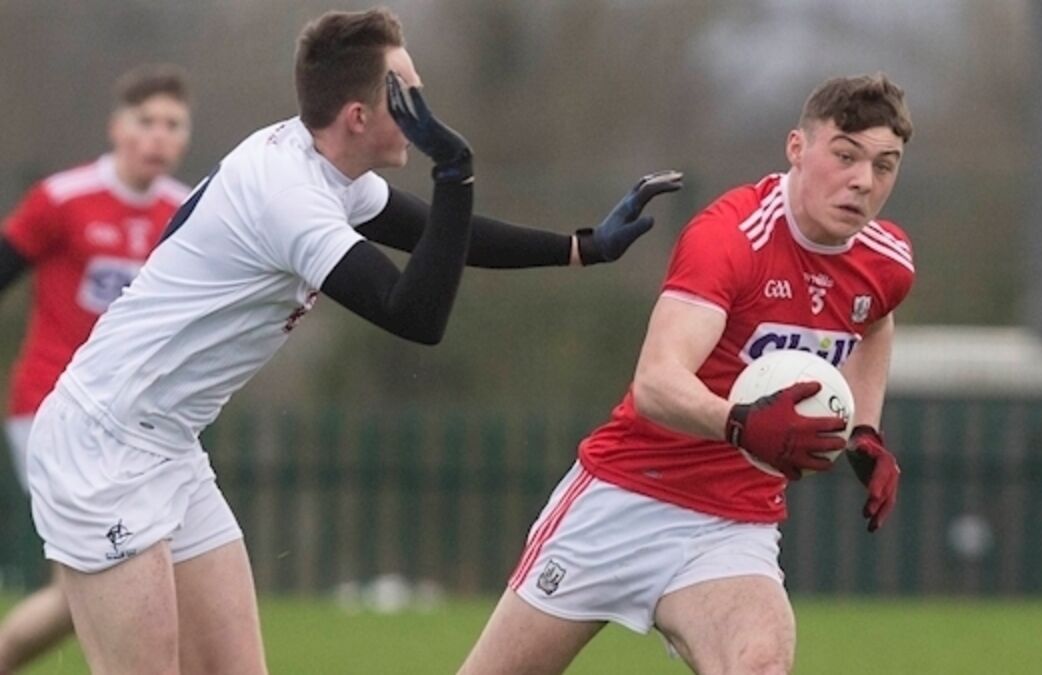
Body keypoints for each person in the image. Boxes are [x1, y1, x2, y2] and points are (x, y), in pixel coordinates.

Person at [23, 8, 680, 674]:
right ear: (359, 116)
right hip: (102, 443)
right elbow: (415, 315)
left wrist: (580, 247)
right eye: (408, 96)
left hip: (167, 443)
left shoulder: (324, 170)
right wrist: (454, 170)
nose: (423, 112)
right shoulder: (290, 197)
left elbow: (433, 234)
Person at [460, 73, 915, 675]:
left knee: (760, 667)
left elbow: (875, 320)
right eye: (846, 155)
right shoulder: (731, 238)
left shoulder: (885, 260)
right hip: (624, 499)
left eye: (885, 165)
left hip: (732, 524)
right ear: (797, 148)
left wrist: (865, 431)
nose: (863, 180)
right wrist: (741, 423)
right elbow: (656, 383)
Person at [0, 64, 192, 674]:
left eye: (173, 124)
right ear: (117, 128)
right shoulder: (63, 198)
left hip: (132, 418)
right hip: (50, 405)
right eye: (146, 121)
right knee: (107, 574)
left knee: (114, 580)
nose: (158, 136)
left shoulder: (185, 211)